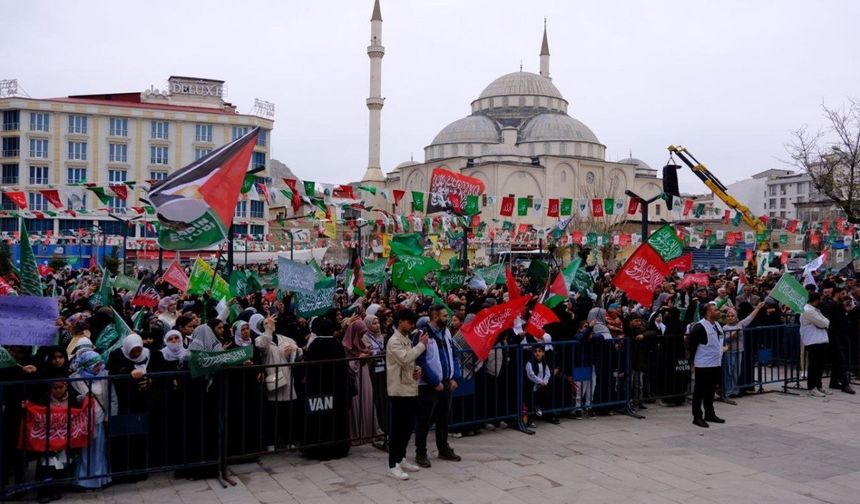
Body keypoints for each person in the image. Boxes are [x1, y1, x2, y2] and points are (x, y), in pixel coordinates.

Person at [413, 304, 461, 468]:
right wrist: (434, 381)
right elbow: (420, 361)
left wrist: (454, 377)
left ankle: (443, 448)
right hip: (429, 386)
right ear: (435, 317)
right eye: (444, 316)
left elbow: (453, 354)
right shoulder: (422, 335)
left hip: (446, 383)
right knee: (424, 420)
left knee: (443, 418)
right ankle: (421, 452)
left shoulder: (446, 332)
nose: (448, 319)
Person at [385, 309, 428, 480]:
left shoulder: (406, 339)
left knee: (407, 428)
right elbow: (404, 358)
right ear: (401, 321)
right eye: (409, 322)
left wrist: (418, 369)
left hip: (410, 389)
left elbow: (409, 362)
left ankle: (401, 458)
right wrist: (421, 345)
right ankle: (392, 465)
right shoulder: (394, 341)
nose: (411, 326)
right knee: (397, 429)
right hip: (399, 391)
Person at [302, 317, 351, 460]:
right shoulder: (336, 344)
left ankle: (316, 448)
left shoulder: (314, 345)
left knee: (318, 417)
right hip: (335, 390)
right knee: (334, 418)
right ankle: (337, 447)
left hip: (317, 390)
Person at [70, 350, 116, 489]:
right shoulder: (74, 379)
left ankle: (100, 479)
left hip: (100, 420)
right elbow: (72, 399)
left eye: (99, 364)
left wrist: (111, 417)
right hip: (83, 423)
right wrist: (83, 398)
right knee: (85, 452)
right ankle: (84, 481)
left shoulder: (104, 376)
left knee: (99, 450)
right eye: (95, 365)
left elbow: (112, 398)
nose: (99, 367)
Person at [342, 318, 381, 444]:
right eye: (360, 333)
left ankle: (369, 432)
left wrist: (367, 357)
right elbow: (348, 364)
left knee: (367, 401)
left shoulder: (363, 339)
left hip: (364, 374)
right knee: (356, 404)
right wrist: (359, 358)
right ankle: (357, 435)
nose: (362, 335)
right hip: (355, 377)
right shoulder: (345, 345)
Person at [688, 302, 726, 428]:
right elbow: (691, 346)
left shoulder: (717, 325)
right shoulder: (699, 327)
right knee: (699, 392)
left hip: (715, 363)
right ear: (709, 312)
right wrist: (692, 363)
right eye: (716, 310)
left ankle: (709, 414)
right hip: (703, 365)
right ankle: (697, 417)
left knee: (710, 391)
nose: (718, 312)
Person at [800, 292, 831, 397]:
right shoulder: (808, 311)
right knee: (814, 366)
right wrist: (823, 323)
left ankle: (818, 386)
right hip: (813, 341)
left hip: (821, 340)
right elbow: (824, 323)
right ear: (817, 300)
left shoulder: (815, 310)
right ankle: (811, 388)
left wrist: (823, 323)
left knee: (820, 365)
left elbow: (826, 321)